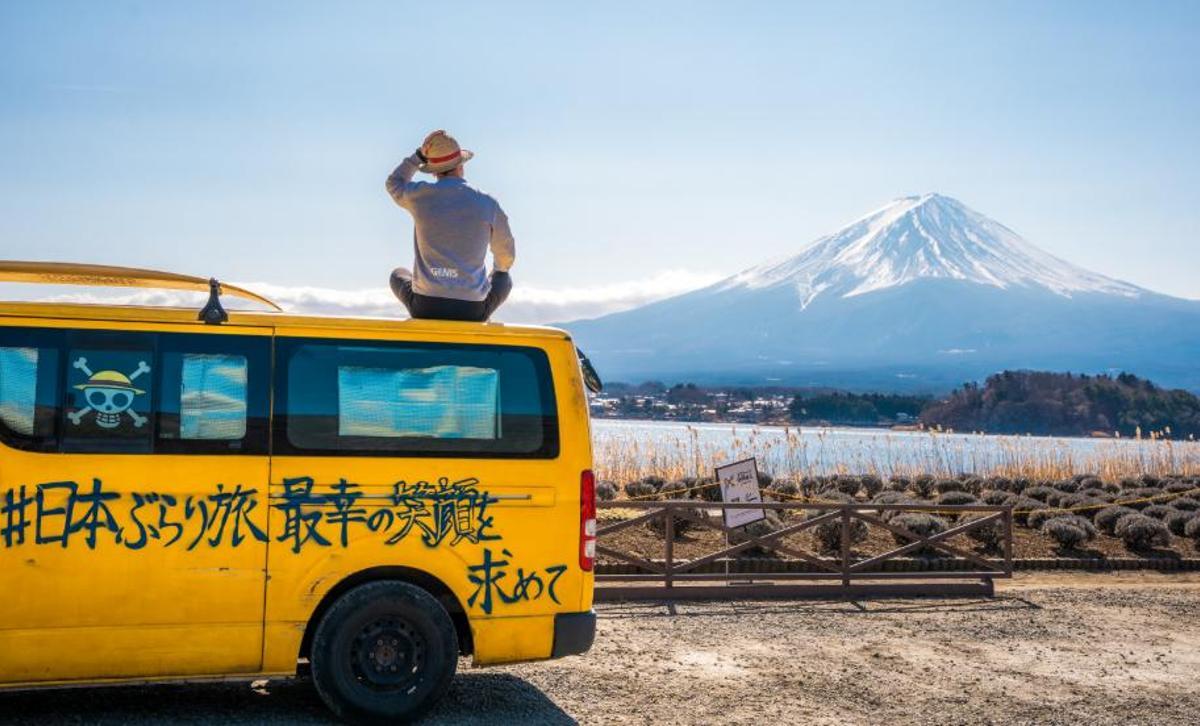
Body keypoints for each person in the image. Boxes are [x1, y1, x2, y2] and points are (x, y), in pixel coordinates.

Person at [385, 130, 515, 322]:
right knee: (504, 277)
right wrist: (495, 272)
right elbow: (506, 255)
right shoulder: (488, 203)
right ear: (461, 165)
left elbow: (394, 183)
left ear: (434, 171)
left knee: (398, 275)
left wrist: (417, 157)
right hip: (472, 310)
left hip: (426, 306)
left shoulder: (420, 196)